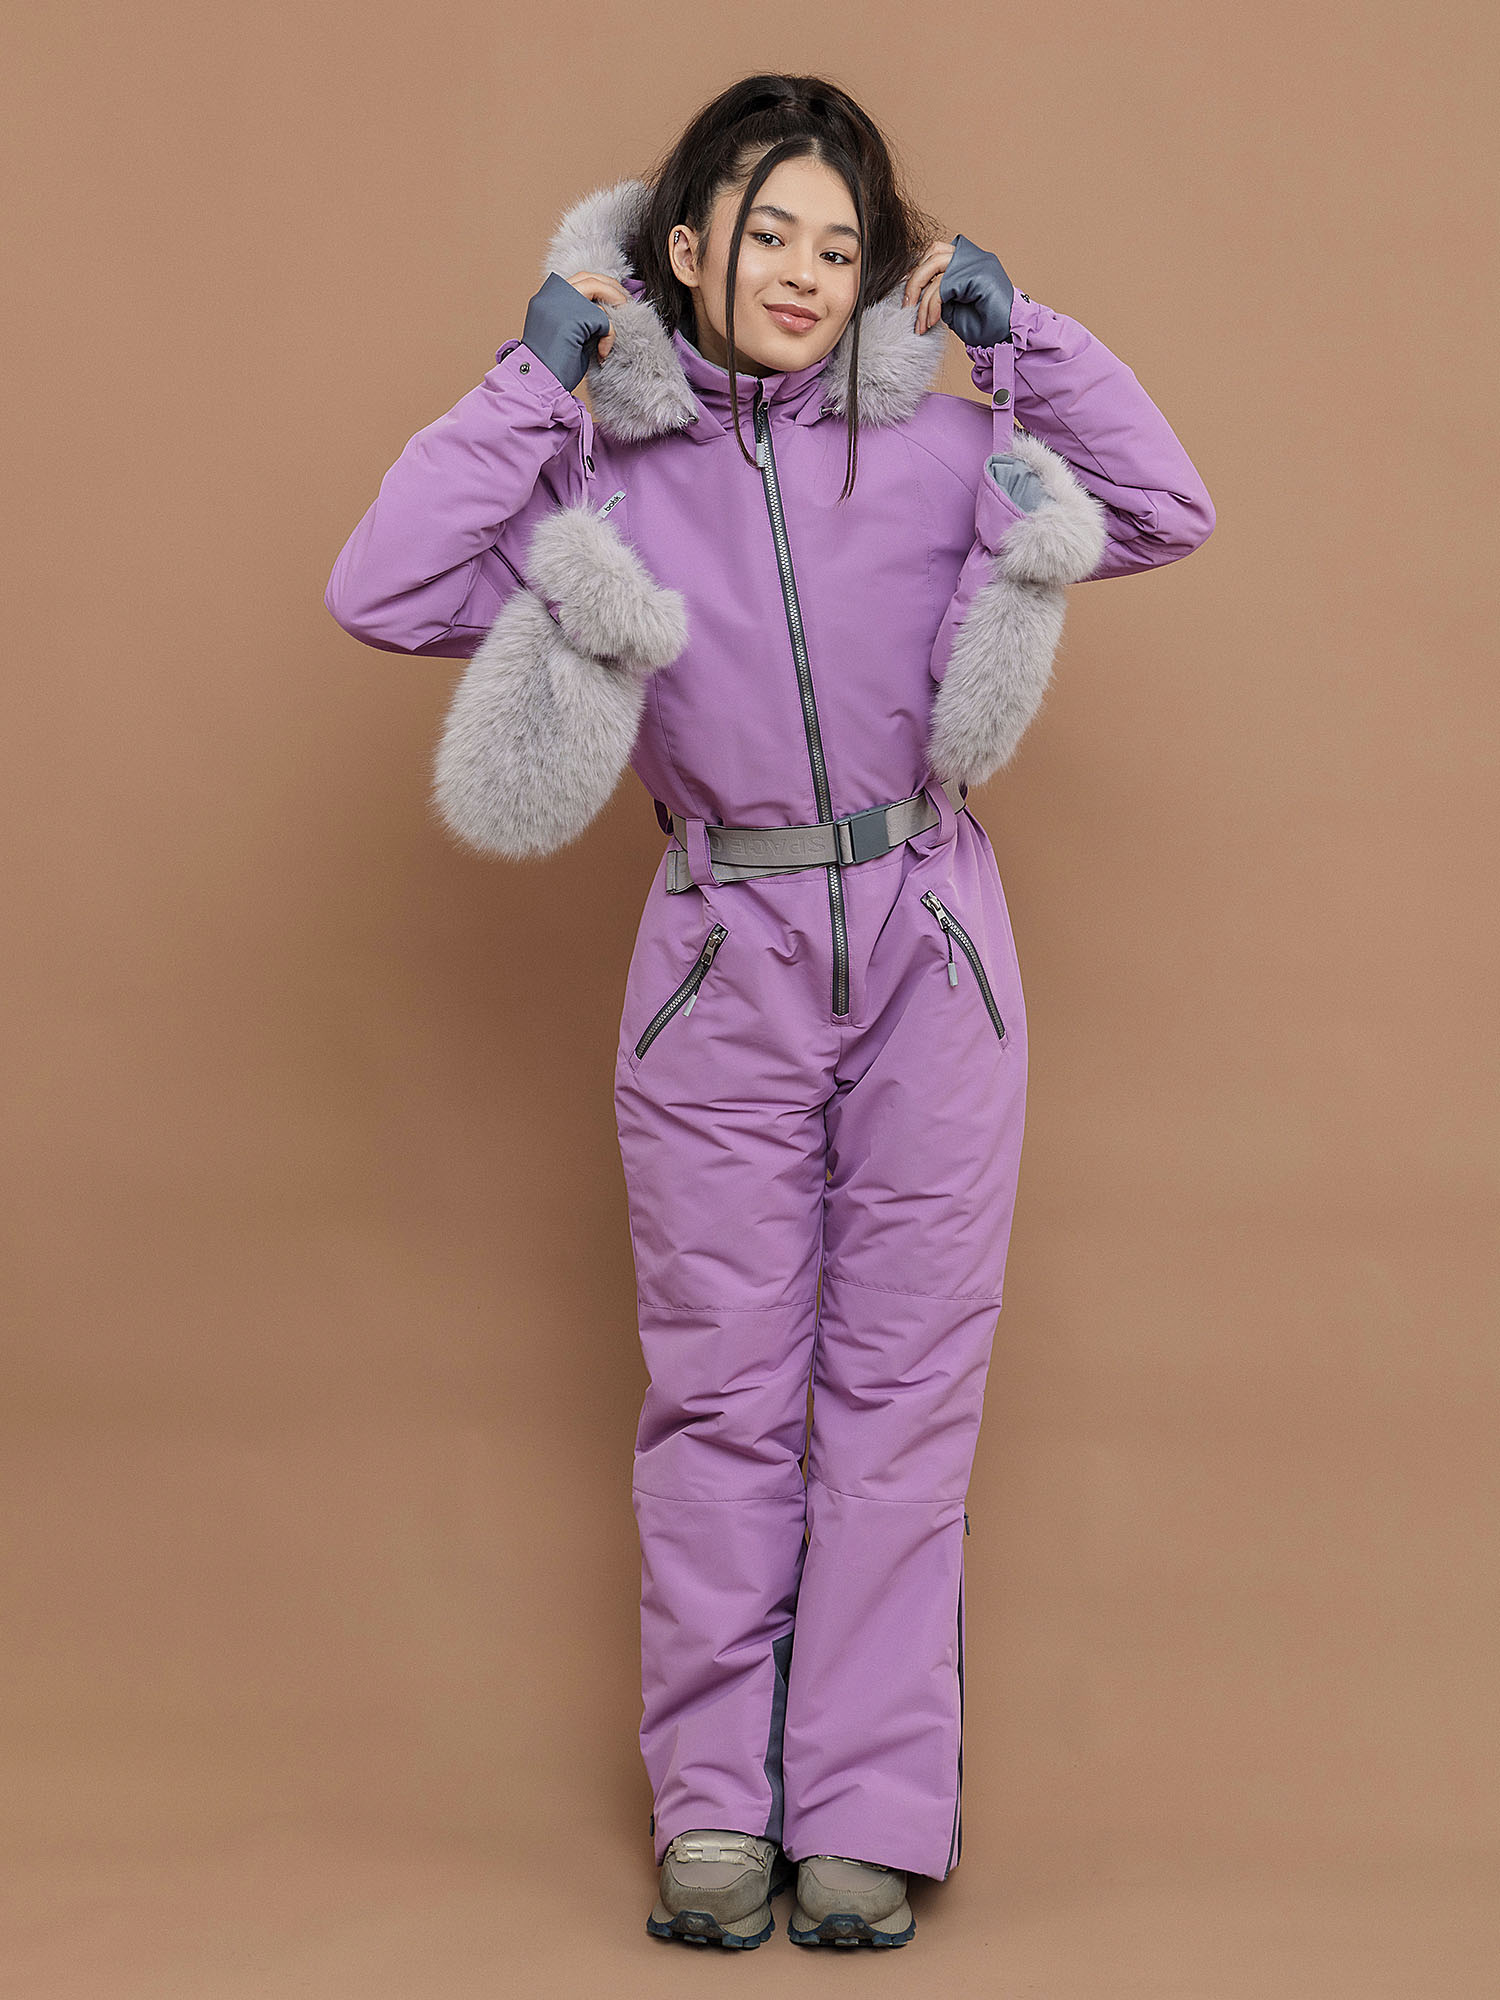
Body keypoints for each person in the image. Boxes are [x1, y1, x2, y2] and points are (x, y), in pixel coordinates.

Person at [324, 73, 1214, 1951]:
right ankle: (719, 1805)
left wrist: (1025, 343)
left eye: (841, 242)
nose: (805, 271)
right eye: (766, 232)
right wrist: (530, 376)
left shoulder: (954, 452)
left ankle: (867, 1811)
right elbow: (382, 586)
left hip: (930, 945)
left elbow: (1165, 504)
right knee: (722, 1392)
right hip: (718, 958)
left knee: (902, 1390)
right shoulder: (596, 479)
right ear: (682, 249)